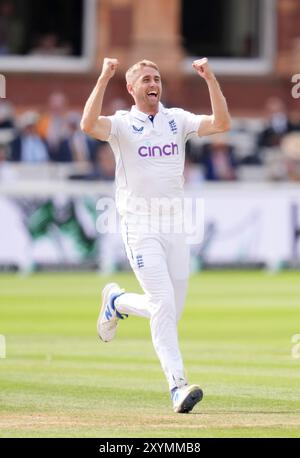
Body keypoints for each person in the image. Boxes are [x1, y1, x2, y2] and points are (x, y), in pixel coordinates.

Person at [81, 57, 230, 413]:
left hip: (176, 227)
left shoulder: (176, 120)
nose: (154, 83)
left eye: (157, 78)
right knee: (162, 304)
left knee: (169, 312)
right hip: (140, 226)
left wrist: (210, 78)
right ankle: (177, 386)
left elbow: (222, 123)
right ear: (131, 88)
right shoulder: (121, 124)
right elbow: (88, 124)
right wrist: (103, 77)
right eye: (146, 79)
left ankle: (116, 302)